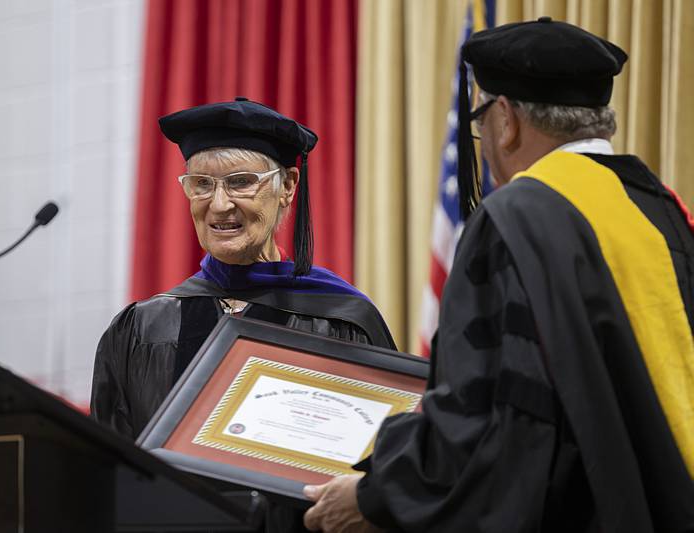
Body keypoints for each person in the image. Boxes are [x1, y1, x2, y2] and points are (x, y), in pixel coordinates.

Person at [303, 18, 694, 533]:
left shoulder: (519, 219)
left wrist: (377, 495)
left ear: (505, 119)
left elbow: (488, 421)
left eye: (482, 118)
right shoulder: (662, 209)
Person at [91, 97, 395, 531]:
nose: (218, 205)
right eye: (201, 184)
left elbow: (374, 480)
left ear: (288, 185)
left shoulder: (344, 321)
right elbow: (107, 470)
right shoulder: (141, 327)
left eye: (241, 182)